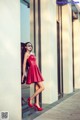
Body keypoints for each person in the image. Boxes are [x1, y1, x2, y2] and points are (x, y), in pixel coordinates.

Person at [22, 42, 45, 111]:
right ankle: (31, 98)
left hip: (36, 70)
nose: (30, 47)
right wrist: (24, 73)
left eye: (31, 46)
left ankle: (37, 103)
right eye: (28, 46)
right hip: (32, 70)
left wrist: (38, 70)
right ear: (25, 47)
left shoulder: (32, 53)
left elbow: (35, 63)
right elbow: (24, 64)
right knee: (42, 87)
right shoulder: (26, 54)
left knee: (37, 87)